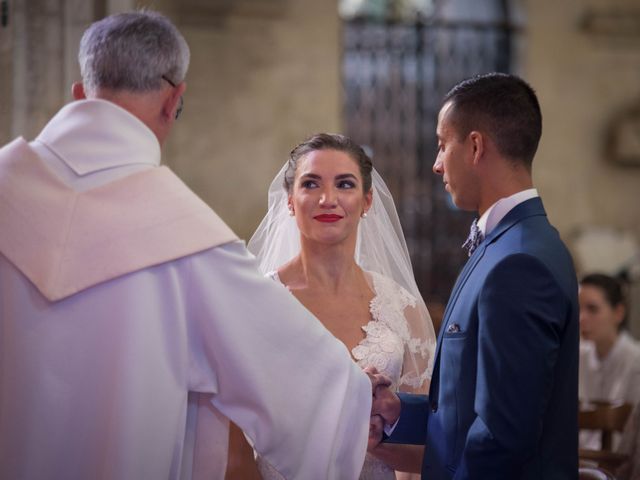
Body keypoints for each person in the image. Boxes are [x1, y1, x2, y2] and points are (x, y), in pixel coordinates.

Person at [0, 11, 374, 480]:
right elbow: (303, 377)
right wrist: (367, 403)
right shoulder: (187, 237)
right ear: (173, 99)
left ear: (80, 92)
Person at [370, 72, 580, 479]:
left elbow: (504, 434)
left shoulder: (519, 262)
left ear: (475, 146)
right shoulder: (512, 243)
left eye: (441, 144)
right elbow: (469, 405)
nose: (435, 164)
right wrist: (400, 411)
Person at [248, 133, 437, 479]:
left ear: (366, 201)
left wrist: (373, 435)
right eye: (311, 184)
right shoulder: (256, 303)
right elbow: (234, 442)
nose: (327, 199)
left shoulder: (401, 307)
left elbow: (429, 449)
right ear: (290, 201)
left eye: (345, 184)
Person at [578, 273, 640, 449]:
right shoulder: (578, 357)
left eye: (592, 309)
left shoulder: (636, 361)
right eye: (578, 308)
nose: (581, 318)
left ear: (618, 313)